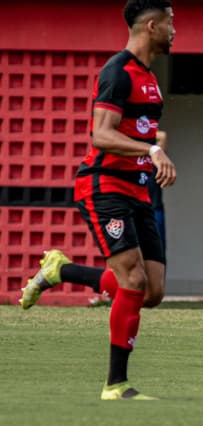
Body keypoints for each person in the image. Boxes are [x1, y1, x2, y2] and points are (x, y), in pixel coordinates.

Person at [19, 0, 176, 400]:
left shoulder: (151, 79)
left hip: (137, 190)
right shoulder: (117, 71)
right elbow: (100, 135)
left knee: (152, 290)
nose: (175, 31)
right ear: (152, 26)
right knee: (133, 279)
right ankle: (115, 384)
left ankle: (62, 271)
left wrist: (151, 156)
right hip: (103, 185)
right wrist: (151, 150)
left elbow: (135, 133)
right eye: (171, 23)